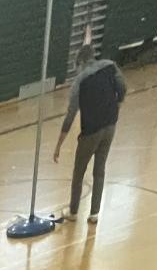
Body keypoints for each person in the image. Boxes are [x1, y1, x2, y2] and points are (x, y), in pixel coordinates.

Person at [54, 43, 127, 225]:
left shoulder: (80, 81)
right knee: (99, 170)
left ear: (80, 62)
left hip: (91, 131)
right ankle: (94, 213)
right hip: (110, 126)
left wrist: (59, 145)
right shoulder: (110, 66)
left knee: (79, 172)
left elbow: (71, 115)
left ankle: (73, 211)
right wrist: (117, 105)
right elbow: (123, 87)